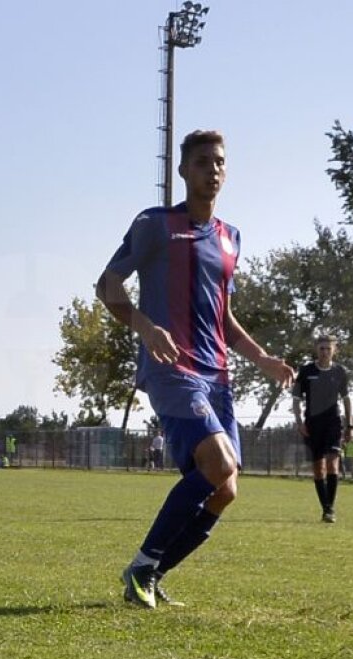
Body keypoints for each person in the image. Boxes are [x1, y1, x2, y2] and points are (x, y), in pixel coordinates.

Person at [96, 129, 294, 609]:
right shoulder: (155, 224)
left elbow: (223, 315)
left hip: (217, 375)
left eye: (220, 162)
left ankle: (150, 573)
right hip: (171, 368)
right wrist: (146, 328)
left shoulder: (231, 238)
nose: (213, 169)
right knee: (218, 464)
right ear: (184, 170)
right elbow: (107, 285)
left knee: (226, 490)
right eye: (203, 162)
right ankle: (142, 565)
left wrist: (262, 357)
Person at [291, 335, 352, 523]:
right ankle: (325, 507)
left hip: (333, 422)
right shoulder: (306, 371)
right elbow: (296, 399)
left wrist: (350, 425)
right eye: (321, 348)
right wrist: (299, 422)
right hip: (313, 423)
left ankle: (329, 509)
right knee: (319, 468)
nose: (325, 352)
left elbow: (346, 400)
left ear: (334, 350)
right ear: (316, 350)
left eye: (328, 348)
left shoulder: (340, 371)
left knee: (333, 463)